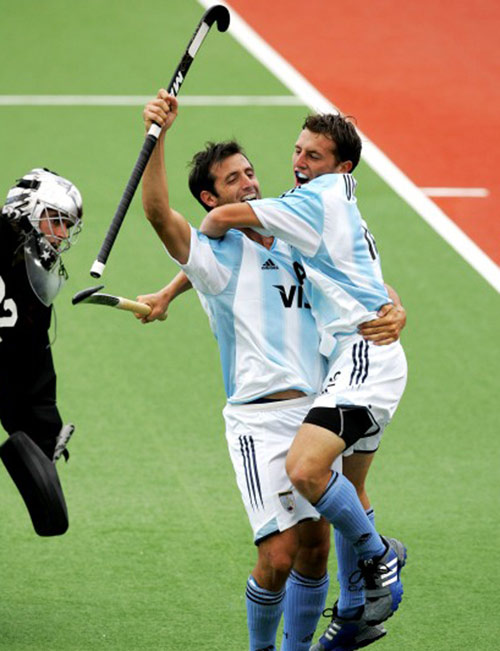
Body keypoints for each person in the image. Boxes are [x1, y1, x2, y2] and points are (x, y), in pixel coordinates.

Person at [139, 90, 405, 651]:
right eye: (232, 180)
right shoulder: (214, 258)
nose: (249, 183)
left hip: (315, 408)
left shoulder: (292, 235)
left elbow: (358, 274)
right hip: (258, 423)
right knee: (278, 556)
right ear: (211, 197)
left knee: (315, 549)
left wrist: (395, 307)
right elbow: (161, 215)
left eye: (250, 172)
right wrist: (156, 136)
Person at [0, 168, 82, 533]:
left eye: (67, 226)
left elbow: (30, 357)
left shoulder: (34, 275)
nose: (62, 234)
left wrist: (43, 432)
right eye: (56, 221)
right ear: (27, 211)